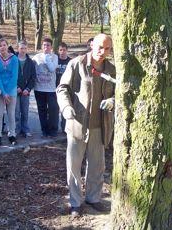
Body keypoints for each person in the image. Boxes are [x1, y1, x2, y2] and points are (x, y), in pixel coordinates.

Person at [56, 33, 115, 217]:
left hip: (100, 126)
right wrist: (66, 108)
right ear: (92, 45)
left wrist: (113, 100)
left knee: (97, 166)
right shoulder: (77, 64)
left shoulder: (111, 69)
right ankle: (75, 202)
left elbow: (119, 91)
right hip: (77, 124)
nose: (102, 52)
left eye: (107, 49)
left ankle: (93, 198)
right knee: (74, 166)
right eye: (99, 47)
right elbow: (62, 88)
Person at [0, 38, 19, 146]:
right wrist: (3, 93)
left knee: (11, 114)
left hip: (11, 90)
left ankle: (12, 134)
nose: (2, 47)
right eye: (0, 46)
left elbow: (14, 76)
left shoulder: (14, 59)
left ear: (7, 46)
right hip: (0, 91)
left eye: (4, 45)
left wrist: (8, 92)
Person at [33, 37, 59, 138]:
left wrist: (47, 58)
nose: (46, 47)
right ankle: (44, 130)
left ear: (51, 47)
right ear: (42, 46)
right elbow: (31, 70)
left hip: (51, 89)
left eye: (48, 45)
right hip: (39, 88)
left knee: (53, 109)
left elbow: (52, 68)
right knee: (42, 110)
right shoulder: (36, 57)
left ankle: (53, 130)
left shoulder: (54, 57)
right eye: (44, 45)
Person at [15, 40, 36, 138]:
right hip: (15, 91)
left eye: (25, 48)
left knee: (25, 111)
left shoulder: (30, 62)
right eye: (21, 48)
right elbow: (10, 76)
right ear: (18, 49)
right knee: (16, 111)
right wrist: (16, 87)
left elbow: (33, 78)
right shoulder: (13, 60)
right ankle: (16, 129)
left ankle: (25, 129)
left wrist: (28, 89)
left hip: (26, 92)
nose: (23, 50)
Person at [56, 42, 71, 132]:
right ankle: (54, 127)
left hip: (66, 89)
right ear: (58, 51)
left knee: (65, 108)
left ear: (67, 51)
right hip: (55, 87)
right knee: (54, 109)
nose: (62, 52)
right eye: (60, 50)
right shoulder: (55, 60)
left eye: (64, 50)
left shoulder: (70, 61)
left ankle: (65, 128)